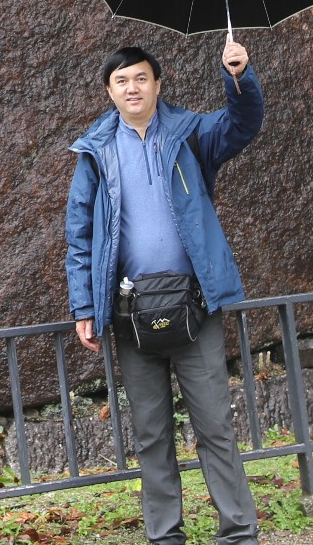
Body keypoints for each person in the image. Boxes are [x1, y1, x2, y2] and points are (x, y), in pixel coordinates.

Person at [64, 39, 265, 545]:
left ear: (157, 83)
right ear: (109, 91)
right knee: (151, 434)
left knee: (215, 426)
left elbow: (242, 124)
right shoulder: (95, 151)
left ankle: (239, 533)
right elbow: (80, 233)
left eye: (140, 77)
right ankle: (165, 536)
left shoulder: (191, 133)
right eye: (121, 80)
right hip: (130, 312)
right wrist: (85, 305)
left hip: (195, 304)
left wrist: (237, 77)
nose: (132, 87)